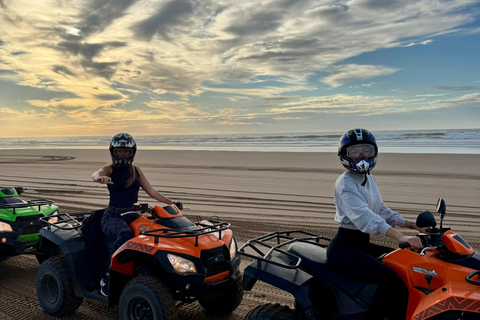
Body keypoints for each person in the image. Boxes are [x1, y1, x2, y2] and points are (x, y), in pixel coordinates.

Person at [326, 128, 425, 320]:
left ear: (374, 152)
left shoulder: (368, 178)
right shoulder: (345, 183)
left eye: (366, 151)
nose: (361, 156)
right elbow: (366, 218)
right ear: (345, 155)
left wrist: (412, 225)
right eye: (354, 152)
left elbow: (381, 211)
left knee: (403, 264)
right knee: (390, 280)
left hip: (361, 244)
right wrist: (401, 237)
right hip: (344, 249)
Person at [92, 133, 182, 296]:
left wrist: (171, 203)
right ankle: (107, 277)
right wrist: (99, 178)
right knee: (125, 234)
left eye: (127, 151)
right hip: (113, 216)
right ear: (113, 151)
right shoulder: (110, 169)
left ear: (133, 152)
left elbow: (152, 191)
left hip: (133, 214)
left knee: (157, 231)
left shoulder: (136, 171)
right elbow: (97, 173)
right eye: (119, 151)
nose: (123, 155)